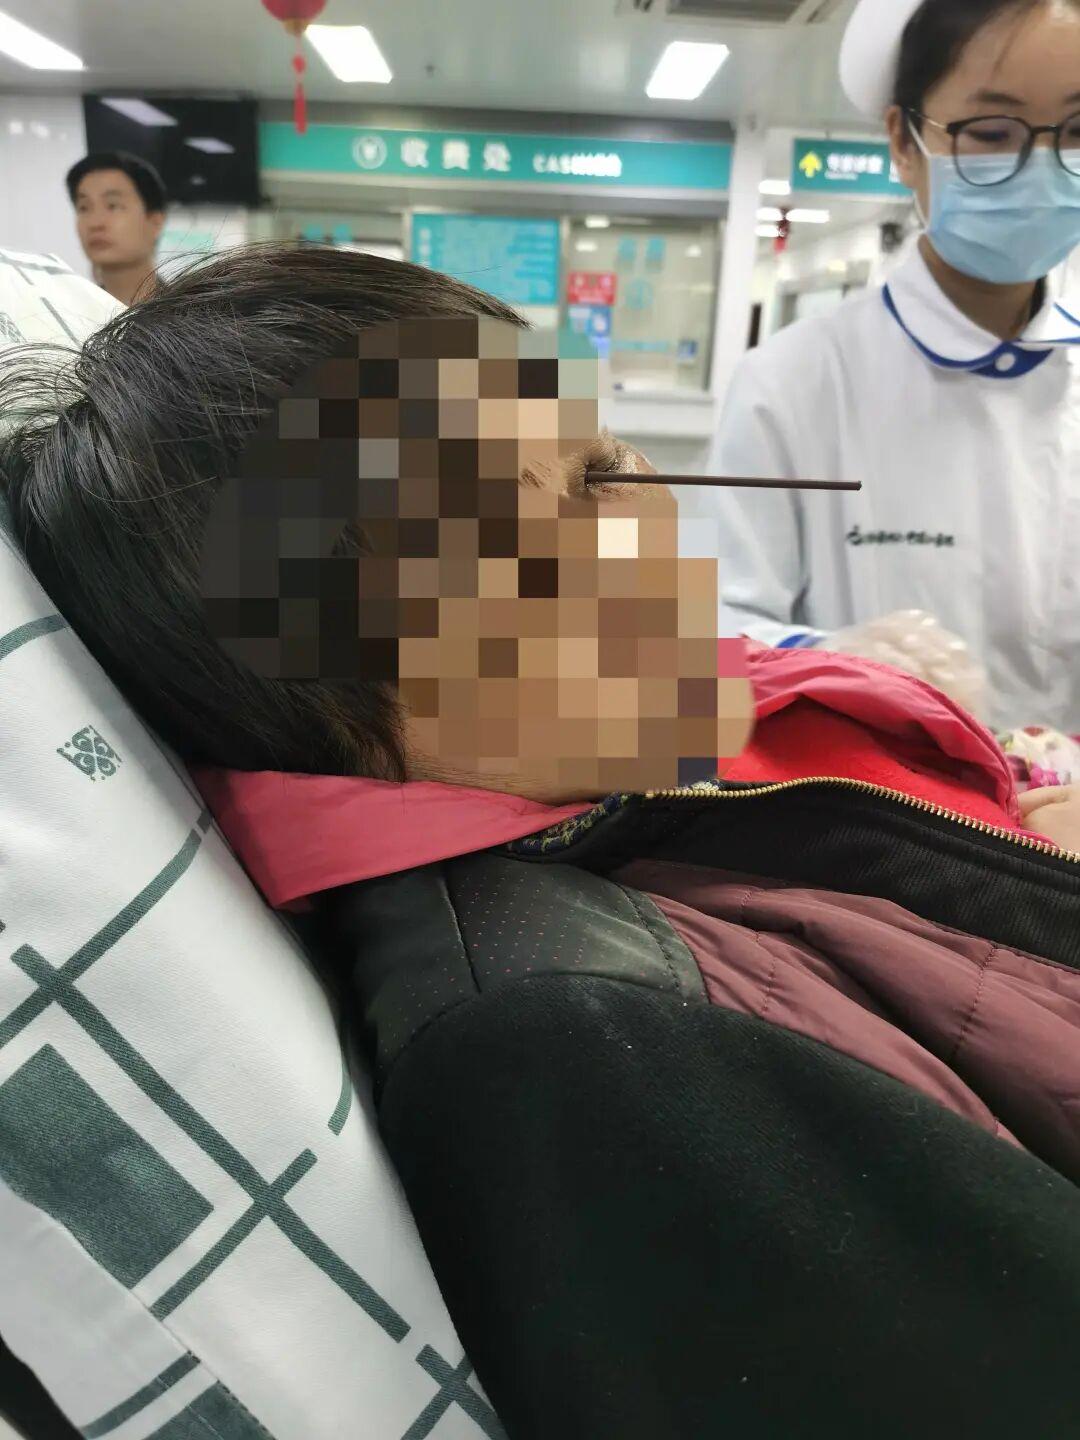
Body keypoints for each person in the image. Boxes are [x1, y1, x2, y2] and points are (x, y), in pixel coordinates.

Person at [3, 245, 1080, 1439]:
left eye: (603, 462)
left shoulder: (636, 750)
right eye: (510, 556)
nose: (634, 526)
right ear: (315, 713)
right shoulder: (573, 1045)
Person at [690, 0, 1080, 735]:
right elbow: (704, 621)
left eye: (1078, 130)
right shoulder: (794, 382)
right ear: (904, 140)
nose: (1043, 167)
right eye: (992, 132)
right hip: (873, 795)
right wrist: (825, 657)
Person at [65, 151, 166, 307]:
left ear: (155, 222)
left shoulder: (191, 314)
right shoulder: (69, 314)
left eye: (113, 206)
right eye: (84, 208)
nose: (95, 223)